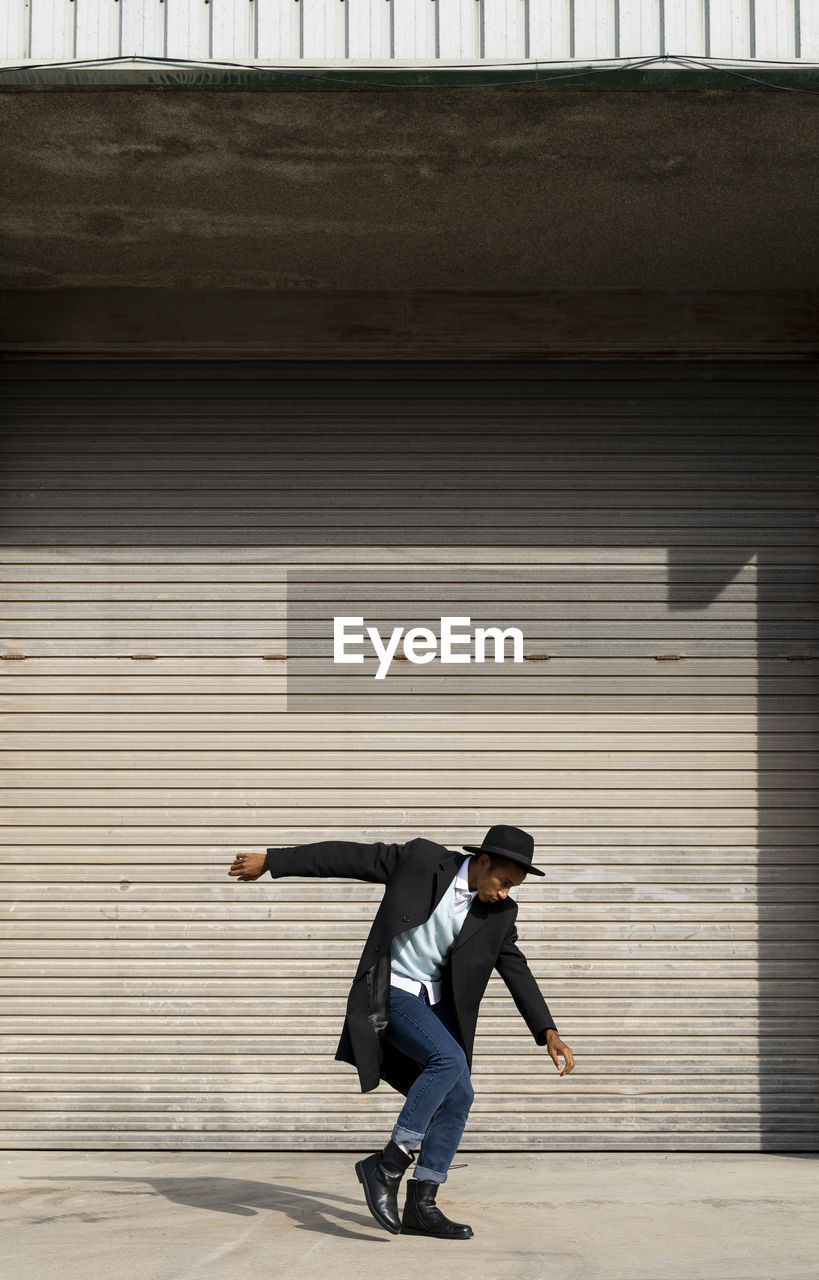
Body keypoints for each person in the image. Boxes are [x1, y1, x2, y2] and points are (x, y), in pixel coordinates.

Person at [228, 823, 575, 1239]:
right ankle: (387, 1164)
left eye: (513, 888)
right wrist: (274, 861)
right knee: (448, 1061)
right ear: (482, 862)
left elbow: (516, 968)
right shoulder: (421, 860)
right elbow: (349, 857)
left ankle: (422, 1204)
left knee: (460, 1093)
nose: (504, 893)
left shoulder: (500, 913)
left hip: (431, 1002)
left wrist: (547, 1030)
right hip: (389, 990)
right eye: (503, 882)